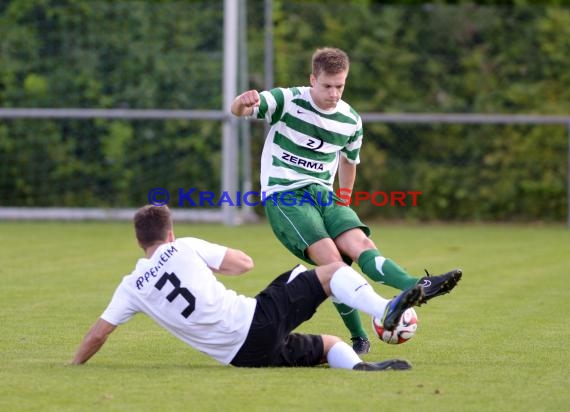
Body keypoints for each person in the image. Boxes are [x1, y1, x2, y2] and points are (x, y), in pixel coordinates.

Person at [231, 47, 462, 354]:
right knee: (333, 264)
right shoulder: (288, 100)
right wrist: (242, 103)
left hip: (325, 197)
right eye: (327, 86)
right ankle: (360, 335)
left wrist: (343, 202)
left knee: (362, 246)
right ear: (313, 79)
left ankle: (416, 286)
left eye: (340, 86)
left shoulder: (350, 119)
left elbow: (349, 162)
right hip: (286, 196)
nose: (334, 93)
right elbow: (242, 110)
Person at [71, 204, 425, 371]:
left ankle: (359, 368)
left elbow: (98, 335)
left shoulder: (131, 285)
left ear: (139, 243)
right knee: (331, 271)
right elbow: (244, 264)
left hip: (242, 357)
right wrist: (210, 266)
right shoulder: (183, 246)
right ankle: (385, 310)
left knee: (327, 344)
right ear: (169, 234)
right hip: (254, 321)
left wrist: (74, 364)